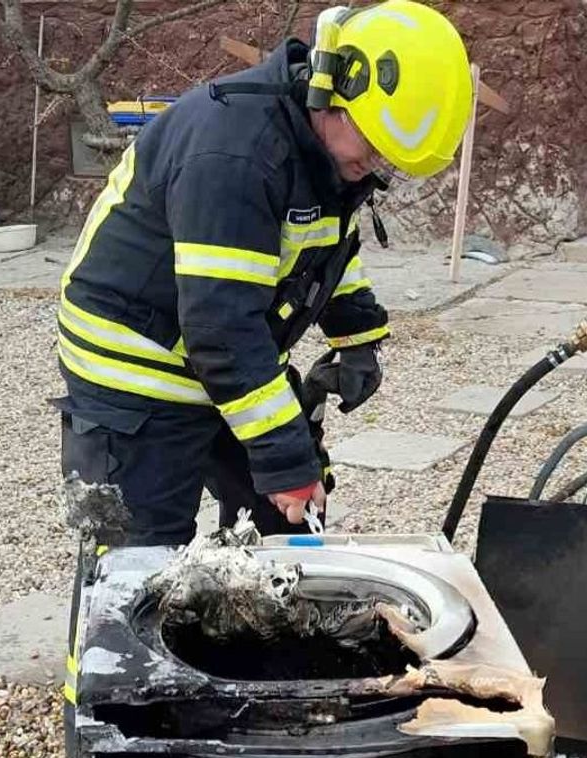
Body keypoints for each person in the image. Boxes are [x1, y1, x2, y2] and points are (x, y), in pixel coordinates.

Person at [50, 0, 474, 546]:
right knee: (143, 560)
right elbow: (221, 328)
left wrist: (357, 336)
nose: (375, 164)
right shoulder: (236, 156)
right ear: (332, 90)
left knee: (284, 528)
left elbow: (323, 246)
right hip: (134, 367)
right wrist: (284, 460)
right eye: (373, 146)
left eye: (389, 159)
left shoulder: (319, 148)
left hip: (219, 350)